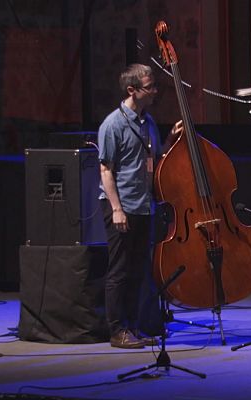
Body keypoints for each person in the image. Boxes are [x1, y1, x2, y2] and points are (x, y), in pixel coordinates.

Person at [98, 63, 182, 349]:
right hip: (122, 207)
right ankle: (117, 330)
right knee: (120, 270)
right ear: (132, 90)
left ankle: (133, 326)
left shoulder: (147, 123)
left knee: (138, 270)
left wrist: (170, 138)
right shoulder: (113, 124)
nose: (155, 91)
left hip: (145, 206)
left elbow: (155, 160)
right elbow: (106, 170)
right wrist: (117, 209)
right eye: (150, 86)